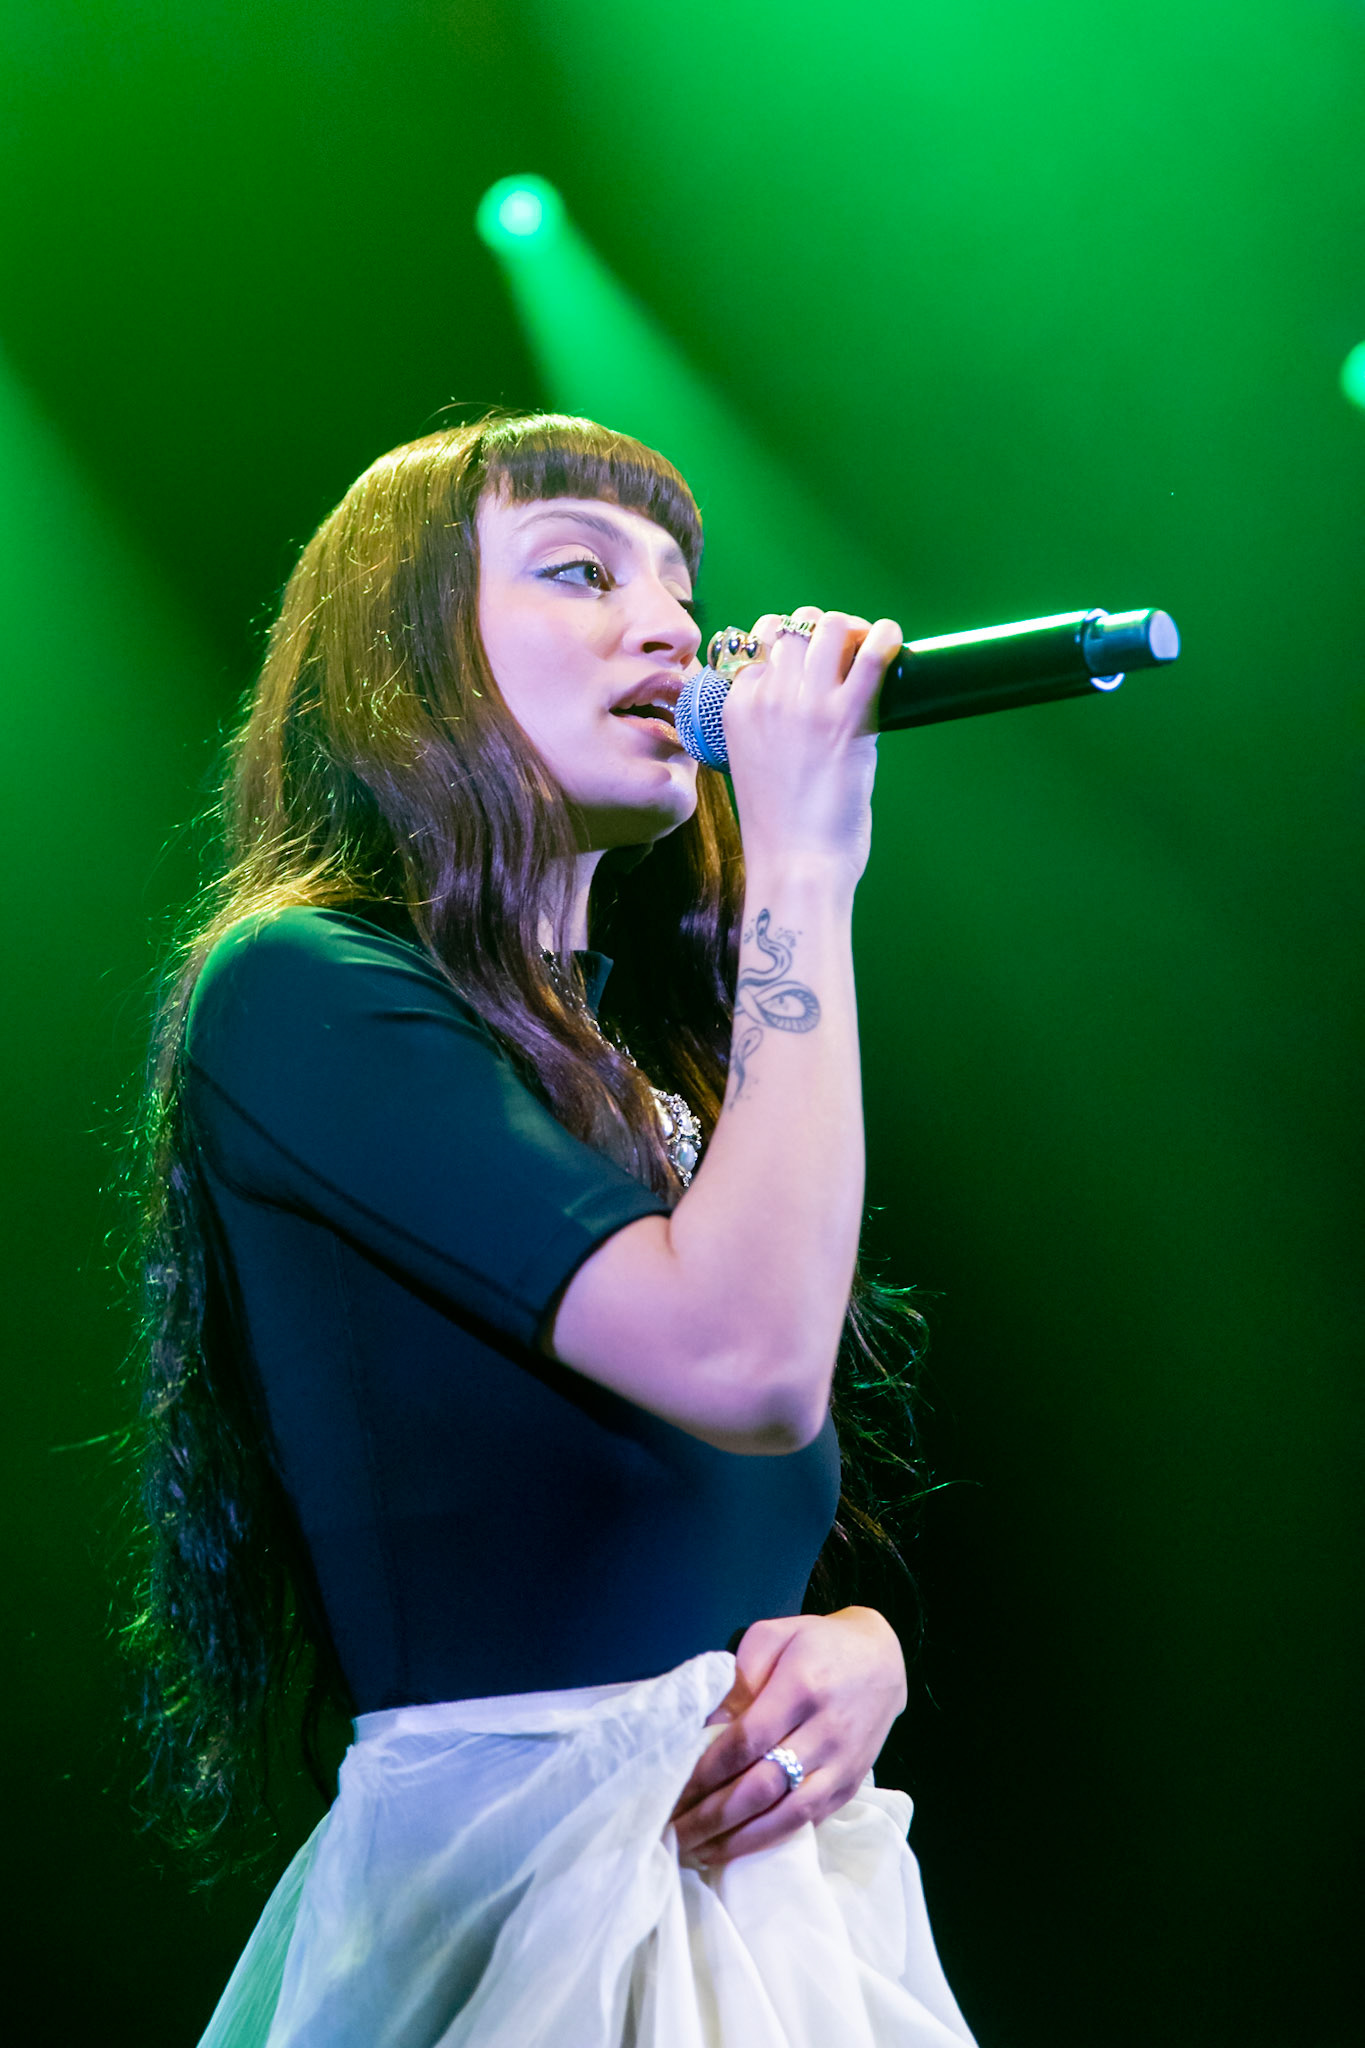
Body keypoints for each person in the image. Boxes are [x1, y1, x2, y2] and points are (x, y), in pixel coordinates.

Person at [128, 412, 978, 2045]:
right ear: (404, 657)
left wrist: (851, 1648)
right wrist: (806, 868)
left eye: (680, 587)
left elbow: (712, 1513)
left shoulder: (642, 1070)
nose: (670, 629)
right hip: (522, 1900)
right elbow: (742, 1360)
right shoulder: (301, 992)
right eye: (582, 574)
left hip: (754, 1910)